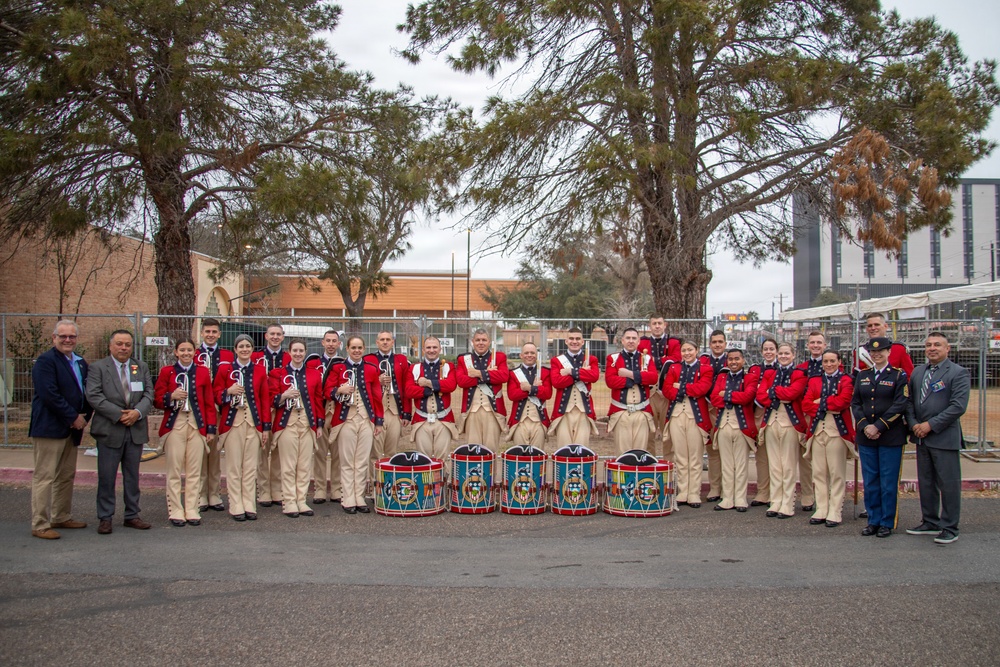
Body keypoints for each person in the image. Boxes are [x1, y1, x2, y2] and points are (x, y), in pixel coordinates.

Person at [86, 329, 155, 535]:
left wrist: (136, 413)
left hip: (135, 430)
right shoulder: (98, 368)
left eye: (127, 344)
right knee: (107, 477)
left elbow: (149, 394)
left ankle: (132, 515)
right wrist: (119, 414)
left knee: (132, 476)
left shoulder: (139, 367)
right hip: (109, 430)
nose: (123, 347)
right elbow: (94, 396)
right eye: (119, 344)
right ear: (110, 346)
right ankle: (105, 517)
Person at [28, 320, 92, 539]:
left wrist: (84, 418)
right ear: (53, 338)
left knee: (66, 475)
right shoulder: (45, 362)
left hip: (72, 430)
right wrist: (73, 417)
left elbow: (86, 394)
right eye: (63, 336)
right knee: (45, 477)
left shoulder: (81, 362)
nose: (67, 340)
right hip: (49, 428)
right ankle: (40, 524)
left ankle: (61, 516)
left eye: (71, 336)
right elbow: (49, 394)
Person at [905, 332, 970, 545]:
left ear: (947, 348)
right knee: (926, 482)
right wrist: (914, 424)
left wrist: (930, 425)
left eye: (937, 345)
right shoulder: (917, 372)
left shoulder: (958, 373)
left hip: (944, 438)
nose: (932, 348)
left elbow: (957, 407)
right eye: (929, 345)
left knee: (948, 484)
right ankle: (930, 521)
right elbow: (910, 402)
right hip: (921, 438)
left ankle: (950, 526)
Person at [155, 339, 217, 527]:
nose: (186, 353)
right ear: (176, 352)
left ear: (194, 352)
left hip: (197, 425)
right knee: (174, 469)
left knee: (194, 470)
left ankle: (192, 508)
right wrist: (170, 397)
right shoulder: (167, 371)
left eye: (189, 350)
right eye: (182, 350)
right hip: (176, 423)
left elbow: (208, 401)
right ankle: (175, 509)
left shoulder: (202, 372)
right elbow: (157, 399)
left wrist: (211, 429)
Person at [851, 337, 909, 538]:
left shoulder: (898, 376)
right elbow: (856, 403)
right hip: (867, 436)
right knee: (871, 481)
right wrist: (865, 426)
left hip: (890, 436)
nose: (876, 355)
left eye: (881, 351)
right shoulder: (863, 376)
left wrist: (878, 426)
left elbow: (900, 405)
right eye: (873, 352)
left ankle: (887, 522)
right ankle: (873, 520)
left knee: (888, 481)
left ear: (889, 352)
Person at [215, 334, 271, 522]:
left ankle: (249, 503)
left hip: (253, 424)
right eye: (241, 346)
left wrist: (264, 427)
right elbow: (215, 395)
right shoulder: (225, 369)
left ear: (252, 349)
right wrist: (227, 392)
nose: (245, 349)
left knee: (250, 466)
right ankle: (235, 503)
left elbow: (264, 399)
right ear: (235, 349)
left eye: (248, 346)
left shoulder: (260, 370)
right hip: (233, 424)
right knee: (234, 466)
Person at [327, 336, 384, 514]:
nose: (357, 351)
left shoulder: (371, 369)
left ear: (364, 348)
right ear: (347, 348)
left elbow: (376, 396)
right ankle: (348, 497)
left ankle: (359, 496)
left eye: (360, 347)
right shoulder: (338, 367)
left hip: (366, 418)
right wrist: (339, 390)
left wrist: (378, 421)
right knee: (347, 461)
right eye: (353, 347)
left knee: (361, 460)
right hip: (346, 419)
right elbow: (325, 391)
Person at [269, 339, 324, 518]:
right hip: (287, 423)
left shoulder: (314, 374)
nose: (298, 354)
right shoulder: (278, 373)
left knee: (304, 465)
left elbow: (317, 401)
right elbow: (271, 399)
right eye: (295, 351)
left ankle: (301, 500)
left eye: (301, 351)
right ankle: (289, 501)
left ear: (306, 352)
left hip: (307, 423)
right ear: (289, 352)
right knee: (288, 465)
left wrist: (319, 424)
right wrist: (284, 395)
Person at [801, 350, 855, 528]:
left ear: (839, 362)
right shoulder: (815, 380)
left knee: (836, 473)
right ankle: (822, 508)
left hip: (837, 431)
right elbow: (806, 404)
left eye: (832, 361)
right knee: (819, 472)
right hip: (817, 431)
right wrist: (828, 403)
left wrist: (820, 402)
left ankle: (835, 509)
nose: (829, 364)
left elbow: (843, 402)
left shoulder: (846, 380)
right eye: (826, 361)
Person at [756, 342, 807, 519]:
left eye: (787, 353)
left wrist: (774, 391)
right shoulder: (770, 373)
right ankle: (776, 500)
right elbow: (761, 396)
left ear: (793, 355)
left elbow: (794, 393)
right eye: (781, 354)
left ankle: (788, 502)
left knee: (788, 464)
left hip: (789, 423)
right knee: (775, 464)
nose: (783, 356)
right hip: (771, 422)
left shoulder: (799, 374)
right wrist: (777, 394)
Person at [662, 341, 714, 507]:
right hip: (677, 415)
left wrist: (681, 387)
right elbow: (667, 390)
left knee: (695, 457)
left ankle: (694, 492)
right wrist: (688, 388)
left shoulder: (706, 368)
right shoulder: (674, 368)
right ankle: (683, 491)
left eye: (690, 350)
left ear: (697, 350)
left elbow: (702, 389)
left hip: (695, 416)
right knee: (681, 456)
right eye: (684, 350)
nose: (687, 353)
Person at [709, 349, 759, 512]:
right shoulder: (721, 377)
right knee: (727, 463)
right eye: (730, 359)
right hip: (724, 424)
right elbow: (715, 398)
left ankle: (741, 498)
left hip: (741, 425)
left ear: (743, 361)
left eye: (737, 359)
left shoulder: (750, 377)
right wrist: (734, 395)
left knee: (741, 463)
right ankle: (727, 498)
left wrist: (726, 394)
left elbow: (747, 397)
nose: (733, 362)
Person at [196, 317, 233, 513]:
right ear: (202, 333)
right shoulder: (193, 354)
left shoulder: (227, 354)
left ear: (219, 334)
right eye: (207, 332)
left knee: (216, 453)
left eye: (214, 332)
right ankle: (201, 494)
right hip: (200, 410)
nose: (210, 335)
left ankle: (214, 493)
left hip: (220, 408)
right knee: (201, 453)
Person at [252, 323, 290, 507]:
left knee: (278, 451)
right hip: (262, 407)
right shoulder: (256, 357)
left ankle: (277, 489)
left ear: (283, 337)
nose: (275, 337)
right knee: (262, 450)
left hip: (282, 407)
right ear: (266, 336)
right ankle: (264, 490)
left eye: (278, 334)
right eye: (272, 334)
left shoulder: (289, 357)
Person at [605, 328, 659, 454]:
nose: (631, 341)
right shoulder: (613, 359)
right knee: (623, 454)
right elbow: (610, 381)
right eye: (628, 338)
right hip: (621, 411)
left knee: (640, 453)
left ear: (639, 341)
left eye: (634, 338)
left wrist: (629, 374)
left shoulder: (646, 358)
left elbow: (653, 378)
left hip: (642, 412)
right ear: (622, 341)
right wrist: (637, 379)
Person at [404, 336, 458, 459]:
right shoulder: (415, 368)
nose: (431, 350)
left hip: (443, 419)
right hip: (421, 419)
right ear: (423, 349)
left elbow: (451, 385)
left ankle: (442, 478)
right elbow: (409, 391)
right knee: (423, 458)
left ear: (440, 349)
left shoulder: (448, 366)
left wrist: (427, 383)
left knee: (442, 458)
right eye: (428, 347)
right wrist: (431, 389)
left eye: (434, 347)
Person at [456, 329, 509, 449]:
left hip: (493, 411)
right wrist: (487, 374)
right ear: (472, 342)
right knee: (473, 449)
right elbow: (461, 381)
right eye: (478, 340)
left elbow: (503, 376)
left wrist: (478, 373)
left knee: (491, 449)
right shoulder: (463, 359)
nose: (481, 343)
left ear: (489, 342)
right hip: (471, 411)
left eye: (484, 340)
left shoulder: (499, 357)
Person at [307, 329, 343, 504]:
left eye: (334, 341)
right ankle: (320, 489)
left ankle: (336, 489)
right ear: (323, 343)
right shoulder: (313, 363)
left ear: (338, 344)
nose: (330, 344)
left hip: (336, 411)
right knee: (320, 453)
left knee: (337, 454)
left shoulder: (343, 364)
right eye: (327, 341)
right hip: (319, 410)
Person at [365, 329, 411, 465]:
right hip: (375, 411)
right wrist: (376, 380)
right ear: (377, 342)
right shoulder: (368, 359)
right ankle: (375, 484)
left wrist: (406, 413)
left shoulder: (401, 360)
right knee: (375, 453)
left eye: (388, 339)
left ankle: (389, 484)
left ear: (393, 342)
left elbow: (405, 387)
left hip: (395, 411)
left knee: (392, 452)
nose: (385, 342)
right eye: (382, 340)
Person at [794, 330, 829, 513]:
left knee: (825, 459)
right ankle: (807, 495)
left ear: (825, 345)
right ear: (808, 345)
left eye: (819, 342)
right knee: (805, 457)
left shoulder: (831, 365)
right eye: (812, 342)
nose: (815, 345)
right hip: (803, 415)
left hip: (825, 416)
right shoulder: (801, 367)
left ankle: (826, 496)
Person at [548, 328, 600, 447]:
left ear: (582, 342)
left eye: (578, 339)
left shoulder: (591, 359)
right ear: (566, 341)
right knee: (563, 450)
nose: (574, 341)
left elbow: (594, 376)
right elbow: (557, 382)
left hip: (583, 410)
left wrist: (569, 372)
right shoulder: (557, 360)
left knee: (581, 450)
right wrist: (582, 373)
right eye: (571, 338)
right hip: (563, 411)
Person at [638, 315, 681, 457]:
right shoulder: (643, 343)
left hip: (666, 392)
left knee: (667, 431)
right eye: (654, 323)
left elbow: (676, 360)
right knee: (649, 431)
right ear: (649, 326)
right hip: (648, 392)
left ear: (665, 325)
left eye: (659, 323)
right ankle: (649, 463)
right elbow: (639, 360)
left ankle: (669, 463)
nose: (657, 326)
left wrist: (652, 360)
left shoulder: (673, 342)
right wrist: (662, 360)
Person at [505, 342, 552, 449]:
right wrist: (536, 389)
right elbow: (512, 395)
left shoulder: (545, 372)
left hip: (539, 420)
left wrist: (529, 388)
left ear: (536, 355)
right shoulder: (513, 373)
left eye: (532, 353)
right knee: (520, 455)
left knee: (537, 455)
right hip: (519, 420)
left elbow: (547, 394)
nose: (529, 355)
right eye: (526, 353)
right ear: (521, 355)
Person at [749, 338, 778, 507]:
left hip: (776, 413)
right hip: (759, 413)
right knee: (761, 456)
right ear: (761, 352)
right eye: (765, 349)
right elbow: (753, 391)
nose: (768, 352)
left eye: (771, 349)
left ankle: (776, 492)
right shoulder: (755, 370)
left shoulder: (781, 369)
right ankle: (763, 491)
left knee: (776, 457)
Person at [700, 330, 728, 502]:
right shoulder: (704, 361)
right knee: (712, 450)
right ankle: (715, 487)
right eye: (714, 342)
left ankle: (728, 488)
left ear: (725, 344)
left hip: (726, 410)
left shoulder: (731, 359)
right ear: (710, 344)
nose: (717, 344)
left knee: (726, 451)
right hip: (708, 407)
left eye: (720, 342)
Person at [853, 312, 914, 377]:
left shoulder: (899, 349)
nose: (873, 328)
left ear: (885, 326)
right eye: (870, 326)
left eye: (876, 325)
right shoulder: (859, 352)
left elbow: (909, 376)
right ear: (867, 329)